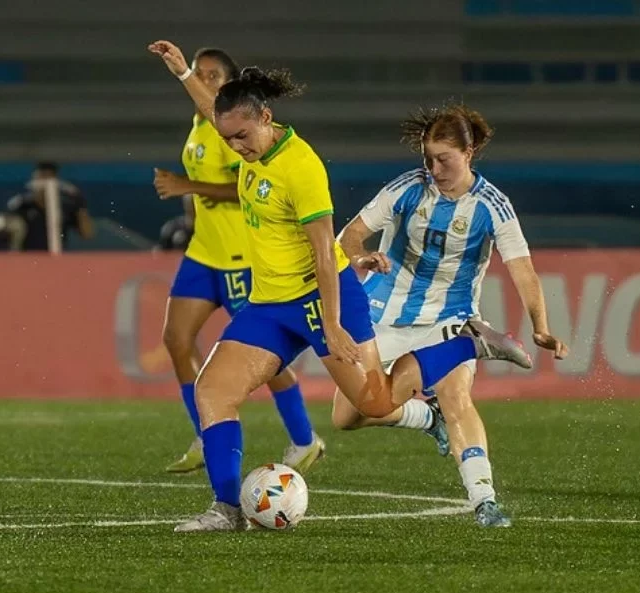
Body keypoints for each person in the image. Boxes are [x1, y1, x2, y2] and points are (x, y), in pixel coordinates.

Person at [149, 39, 536, 532]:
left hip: (321, 297)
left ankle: (468, 343)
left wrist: (331, 323)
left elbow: (324, 253)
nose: (237, 148)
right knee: (213, 392)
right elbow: (220, 113)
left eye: (243, 137)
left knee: (372, 404)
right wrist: (185, 75)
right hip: (270, 303)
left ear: (266, 118)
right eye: (230, 141)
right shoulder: (247, 139)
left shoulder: (301, 168)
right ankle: (227, 510)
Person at [332, 104, 569, 527]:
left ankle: (485, 501)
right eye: (428, 158)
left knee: (457, 397)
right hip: (383, 313)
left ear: (470, 152)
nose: (434, 168)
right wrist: (362, 257)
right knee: (347, 416)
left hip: (449, 316)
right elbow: (349, 235)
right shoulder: (408, 188)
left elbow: (523, 271)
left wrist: (542, 326)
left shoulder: (492, 205)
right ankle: (428, 417)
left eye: (444, 159)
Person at [151, 47, 324, 475]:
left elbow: (240, 189)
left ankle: (304, 438)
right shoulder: (198, 126)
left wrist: (186, 186)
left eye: (214, 77)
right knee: (176, 339)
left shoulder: (233, 133)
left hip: (235, 254)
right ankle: (205, 433)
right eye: (202, 74)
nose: (206, 82)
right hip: (202, 251)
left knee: (262, 357)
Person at [0, 162, 94, 252]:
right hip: (26, 261)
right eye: (41, 178)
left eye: (48, 178)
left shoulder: (66, 205)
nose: (44, 184)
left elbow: (87, 234)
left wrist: (79, 203)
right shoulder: (21, 205)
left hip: (56, 261)